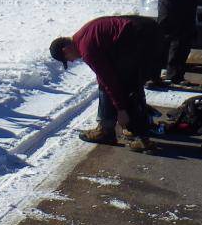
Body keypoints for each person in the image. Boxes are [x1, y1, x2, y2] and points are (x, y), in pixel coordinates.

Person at [49, 15, 163, 152]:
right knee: (111, 83)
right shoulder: (84, 35)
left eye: (67, 59)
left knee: (127, 85)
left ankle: (141, 138)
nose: (72, 61)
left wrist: (121, 110)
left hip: (141, 36)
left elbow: (110, 79)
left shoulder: (86, 48)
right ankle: (107, 130)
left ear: (65, 50)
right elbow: (104, 76)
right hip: (144, 30)